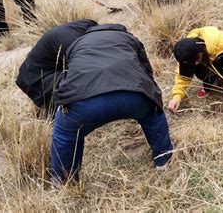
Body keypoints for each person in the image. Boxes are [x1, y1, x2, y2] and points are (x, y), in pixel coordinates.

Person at [51, 24, 173, 183]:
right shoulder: (128, 38)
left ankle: (64, 181)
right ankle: (164, 160)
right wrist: (152, 97)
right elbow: (146, 71)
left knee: (65, 134)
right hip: (133, 96)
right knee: (153, 114)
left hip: (84, 104)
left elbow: (70, 76)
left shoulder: (76, 44)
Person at [16, 19, 98, 116]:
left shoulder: (84, 27)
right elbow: (85, 71)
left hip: (41, 73)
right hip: (37, 81)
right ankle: (66, 114)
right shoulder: (73, 43)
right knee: (84, 77)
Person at [169, 26, 223, 115]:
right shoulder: (186, 51)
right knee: (196, 68)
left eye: (194, 62)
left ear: (200, 53)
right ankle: (210, 81)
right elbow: (183, 75)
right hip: (207, 60)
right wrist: (177, 96)